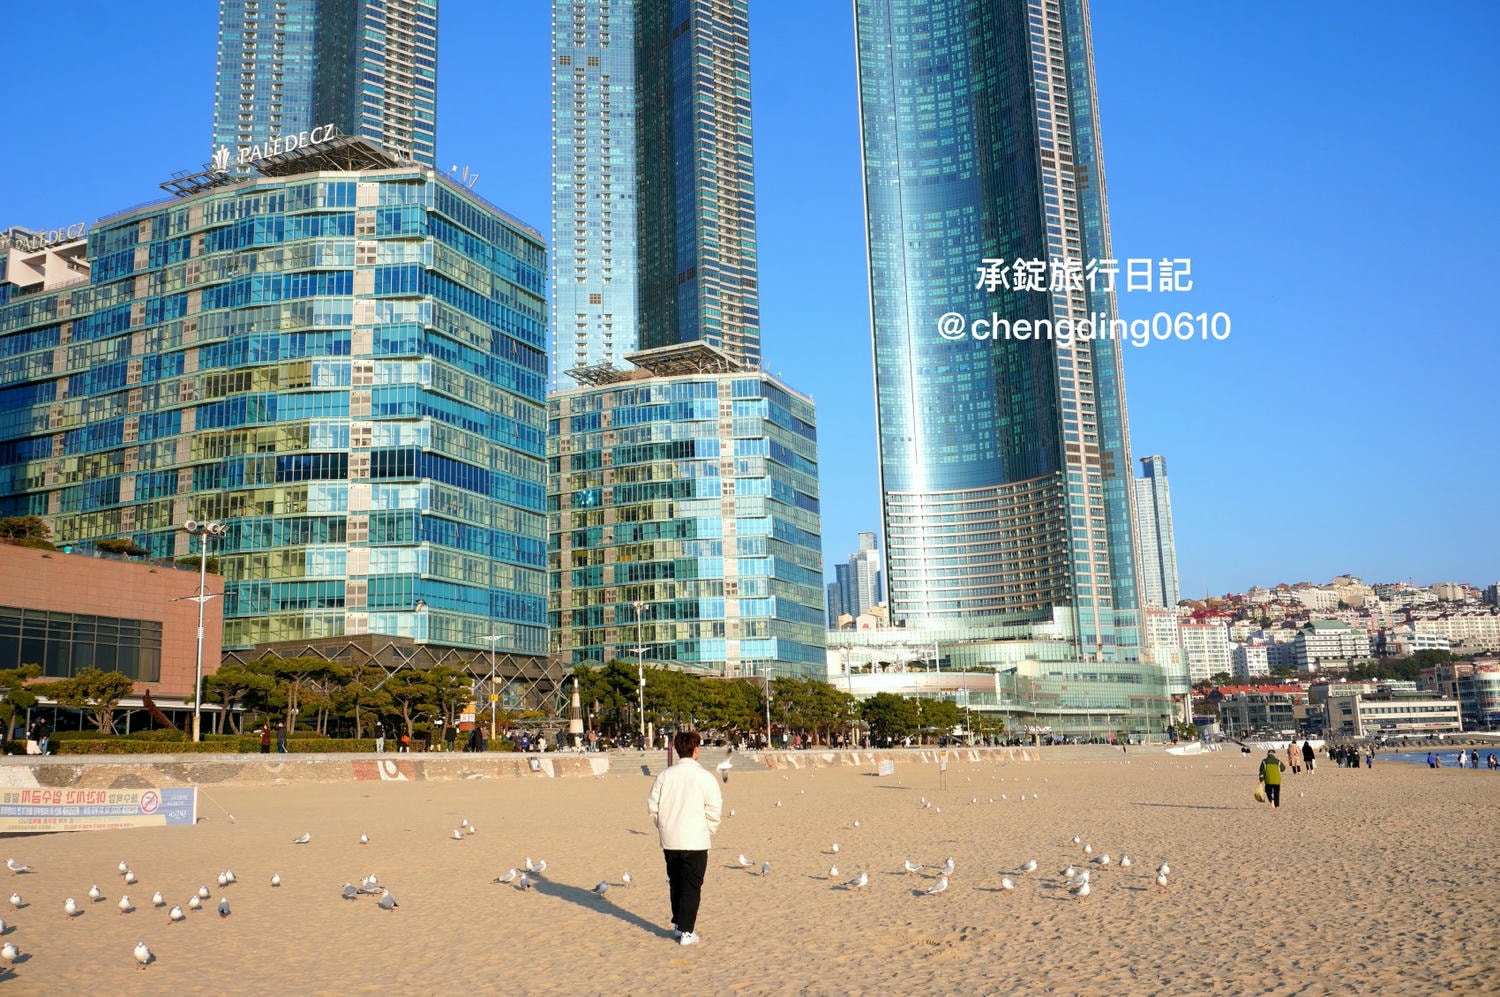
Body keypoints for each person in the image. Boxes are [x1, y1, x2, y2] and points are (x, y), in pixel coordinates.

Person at [647, 729, 722, 947]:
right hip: (695, 839)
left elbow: (653, 806)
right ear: (696, 750)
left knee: (676, 882)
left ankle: (679, 925)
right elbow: (714, 809)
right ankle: (687, 931)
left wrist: (662, 826)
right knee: (691, 885)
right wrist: (708, 830)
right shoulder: (705, 777)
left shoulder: (664, 775)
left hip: (671, 839)